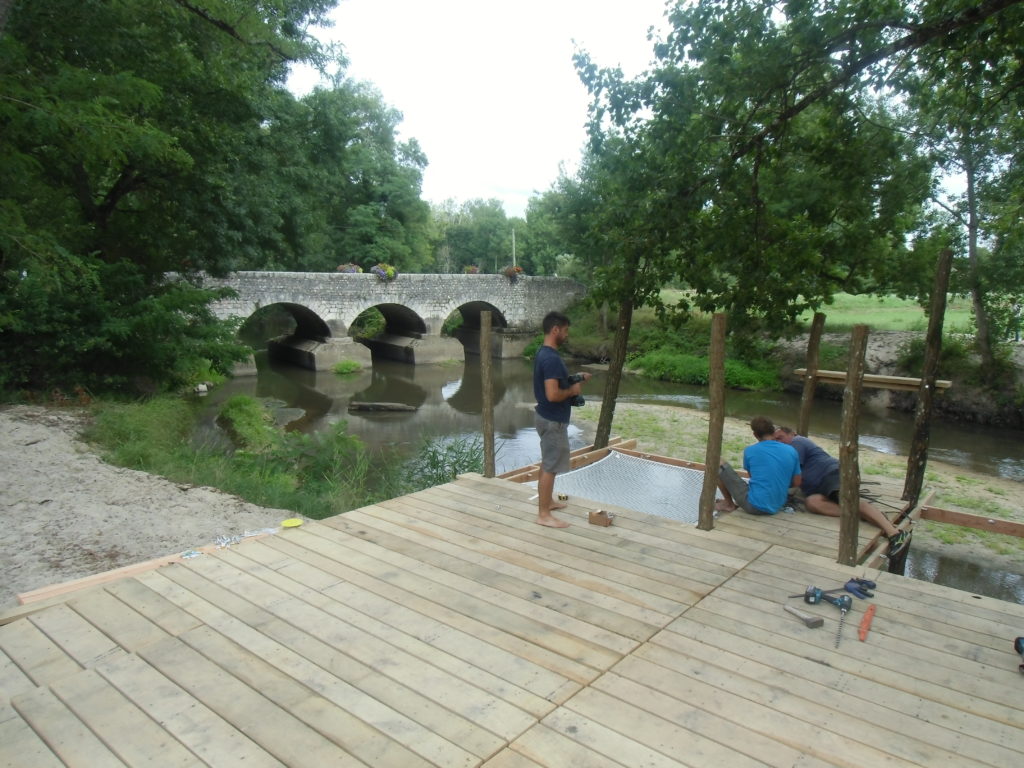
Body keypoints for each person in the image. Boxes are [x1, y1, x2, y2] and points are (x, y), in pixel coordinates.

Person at [773, 425, 910, 554]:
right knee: (811, 503)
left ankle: (895, 534)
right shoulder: (787, 450)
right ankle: (865, 514)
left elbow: (786, 472)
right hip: (818, 488)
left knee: (847, 501)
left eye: (780, 438)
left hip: (832, 474)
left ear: (793, 434)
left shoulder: (798, 442)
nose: (778, 442)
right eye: (775, 440)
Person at [533, 311, 591, 528]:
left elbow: (554, 384)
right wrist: (573, 390)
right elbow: (553, 395)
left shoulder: (543, 353)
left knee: (548, 462)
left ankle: (547, 503)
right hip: (552, 420)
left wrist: (574, 379)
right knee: (550, 466)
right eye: (565, 331)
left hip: (545, 416)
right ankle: (543, 515)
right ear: (555, 329)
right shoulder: (552, 359)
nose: (567, 335)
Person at [716, 416, 801, 516]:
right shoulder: (791, 450)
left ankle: (729, 504)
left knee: (717, 461)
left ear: (755, 434)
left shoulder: (750, 451)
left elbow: (754, 477)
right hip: (778, 504)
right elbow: (797, 482)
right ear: (773, 431)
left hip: (755, 506)